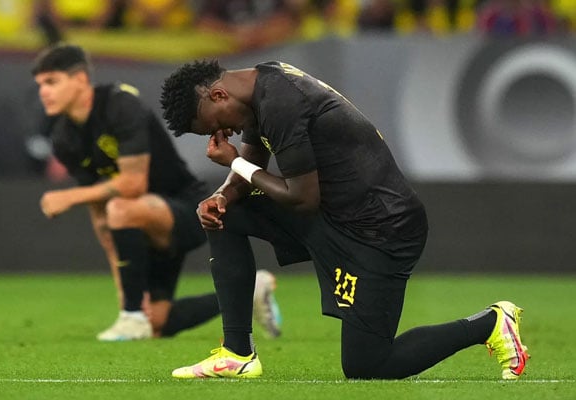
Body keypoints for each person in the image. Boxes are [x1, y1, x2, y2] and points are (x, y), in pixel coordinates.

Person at [160, 59, 529, 379]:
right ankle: (237, 354)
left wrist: (233, 162)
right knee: (226, 213)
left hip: (380, 230)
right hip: (337, 216)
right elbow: (255, 162)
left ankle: (492, 323)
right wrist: (222, 194)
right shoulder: (258, 92)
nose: (220, 135)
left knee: (367, 365)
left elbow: (301, 197)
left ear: (218, 96)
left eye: (212, 125)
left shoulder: (281, 102)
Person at [31, 44, 282, 341]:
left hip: (186, 208)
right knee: (157, 323)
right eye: (40, 85)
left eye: (52, 82)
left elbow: (133, 184)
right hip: (135, 227)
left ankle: (133, 318)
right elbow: (100, 215)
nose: (43, 92)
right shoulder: (64, 138)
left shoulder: (119, 105)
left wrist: (67, 197)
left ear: (81, 79)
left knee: (121, 207)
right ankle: (252, 289)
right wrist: (126, 294)